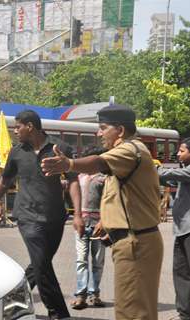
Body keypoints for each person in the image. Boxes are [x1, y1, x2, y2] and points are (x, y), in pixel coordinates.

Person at [41, 104, 163, 320]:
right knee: (135, 309)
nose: (98, 133)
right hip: (134, 240)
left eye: (103, 128)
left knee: (133, 312)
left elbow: (97, 162)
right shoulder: (131, 151)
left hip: (135, 242)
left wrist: (69, 163)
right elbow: (120, 195)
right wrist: (109, 222)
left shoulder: (129, 149)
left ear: (121, 130)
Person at [0, 110, 82, 320]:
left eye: (18, 127)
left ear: (30, 127)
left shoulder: (59, 148)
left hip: (55, 218)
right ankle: (59, 313)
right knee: (42, 262)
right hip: (27, 216)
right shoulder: (17, 152)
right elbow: (4, 182)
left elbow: (73, 181)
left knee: (39, 264)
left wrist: (78, 213)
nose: (15, 131)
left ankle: (12, 301)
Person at [157, 137, 190, 320]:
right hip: (181, 230)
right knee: (181, 273)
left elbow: (171, 175)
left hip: (189, 230)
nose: (178, 154)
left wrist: (152, 168)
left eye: (182, 150)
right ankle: (184, 314)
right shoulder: (185, 171)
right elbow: (171, 180)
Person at [70, 146, 106, 310]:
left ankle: (94, 294)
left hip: (99, 224)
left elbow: (109, 201)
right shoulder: (78, 178)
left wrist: (104, 221)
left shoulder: (104, 179)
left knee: (98, 261)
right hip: (82, 224)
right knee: (81, 260)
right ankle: (81, 295)